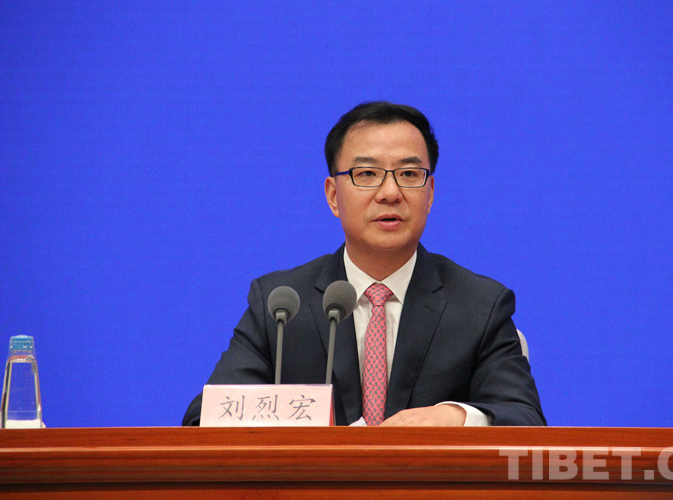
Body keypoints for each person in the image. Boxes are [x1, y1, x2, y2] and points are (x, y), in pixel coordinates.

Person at [183, 101, 545, 427]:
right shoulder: (280, 306)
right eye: (367, 174)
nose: (390, 193)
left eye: (409, 174)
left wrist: (456, 417)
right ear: (333, 196)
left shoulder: (479, 305)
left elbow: (525, 418)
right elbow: (204, 418)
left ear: (430, 193)